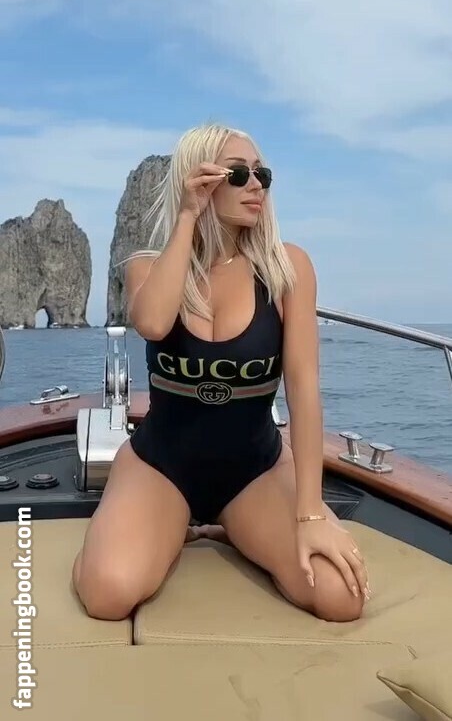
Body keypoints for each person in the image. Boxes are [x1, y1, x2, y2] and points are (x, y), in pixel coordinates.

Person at [72, 123, 370, 622]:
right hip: (160, 468)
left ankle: (230, 527)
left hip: (256, 472)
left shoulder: (287, 269)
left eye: (262, 174)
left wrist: (311, 512)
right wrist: (188, 216)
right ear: (200, 180)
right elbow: (152, 323)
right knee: (108, 595)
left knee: (341, 597)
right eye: (237, 174)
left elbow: (304, 391)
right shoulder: (147, 268)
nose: (256, 185)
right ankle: (155, 531)